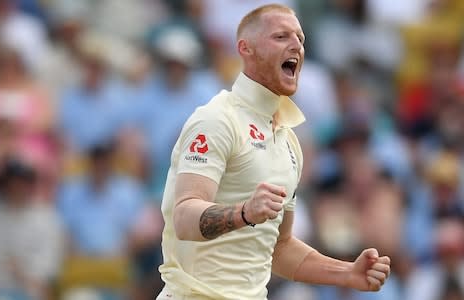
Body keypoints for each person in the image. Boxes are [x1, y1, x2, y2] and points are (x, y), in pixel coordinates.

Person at [157, 4, 391, 300]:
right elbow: (184, 217)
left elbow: (279, 247)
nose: (296, 45)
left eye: (301, 38)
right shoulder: (217, 119)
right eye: (281, 36)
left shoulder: (289, 140)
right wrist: (244, 212)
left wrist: (346, 273)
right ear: (246, 49)